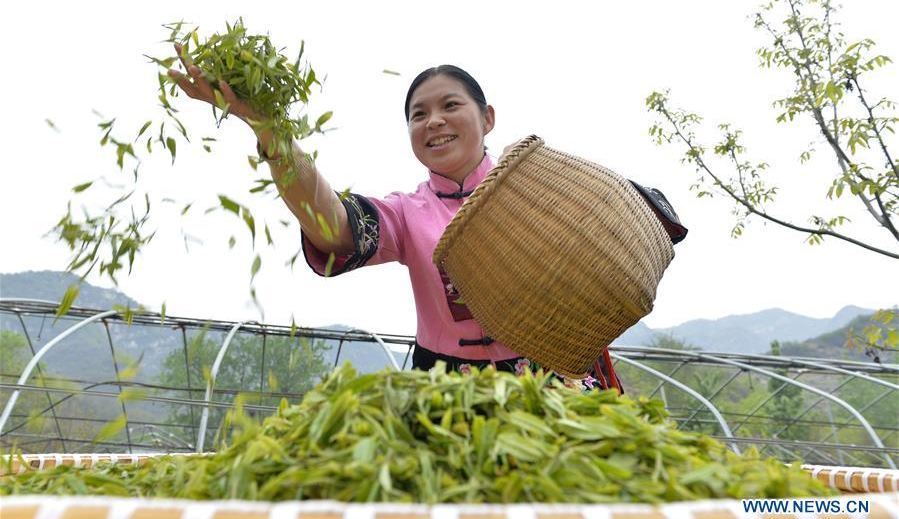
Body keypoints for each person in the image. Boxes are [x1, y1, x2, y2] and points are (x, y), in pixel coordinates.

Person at [169, 52, 624, 392]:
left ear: (487, 118)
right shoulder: (407, 213)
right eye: (418, 115)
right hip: (445, 393)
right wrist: (266, 126)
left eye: (450, 106)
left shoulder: (536, 185)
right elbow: (331, 225)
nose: (434, 121)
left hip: (553, 383)